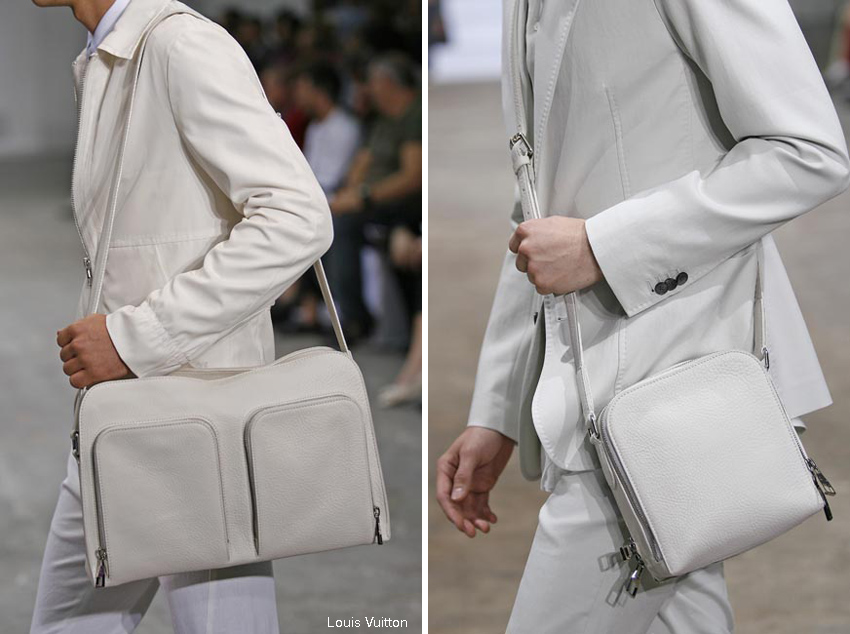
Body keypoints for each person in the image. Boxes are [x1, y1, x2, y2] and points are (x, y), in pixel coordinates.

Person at [437, 0, 850, 631]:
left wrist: (605, 246)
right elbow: (538, 212)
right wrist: (497, 408)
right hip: (601, 385)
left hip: (668, 383)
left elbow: (809, 150)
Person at [29, 0, 333, 632]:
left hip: (198, 420)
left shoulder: (182, 47)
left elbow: (298, 217)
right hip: (124, 415)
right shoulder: (115, 54)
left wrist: (133, 339)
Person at [327, 52, 422, 344]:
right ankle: (323, 308)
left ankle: (356, 318)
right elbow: (362, 160)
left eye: (372, 83)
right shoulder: (382, 121)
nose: (368, 90)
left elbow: (412, 177)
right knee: (322, 218)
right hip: (372, 199)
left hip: (399, 203)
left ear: (387, 83)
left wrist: (363, 197)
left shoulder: (413, 116)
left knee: (343, 225)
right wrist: (349, 192)